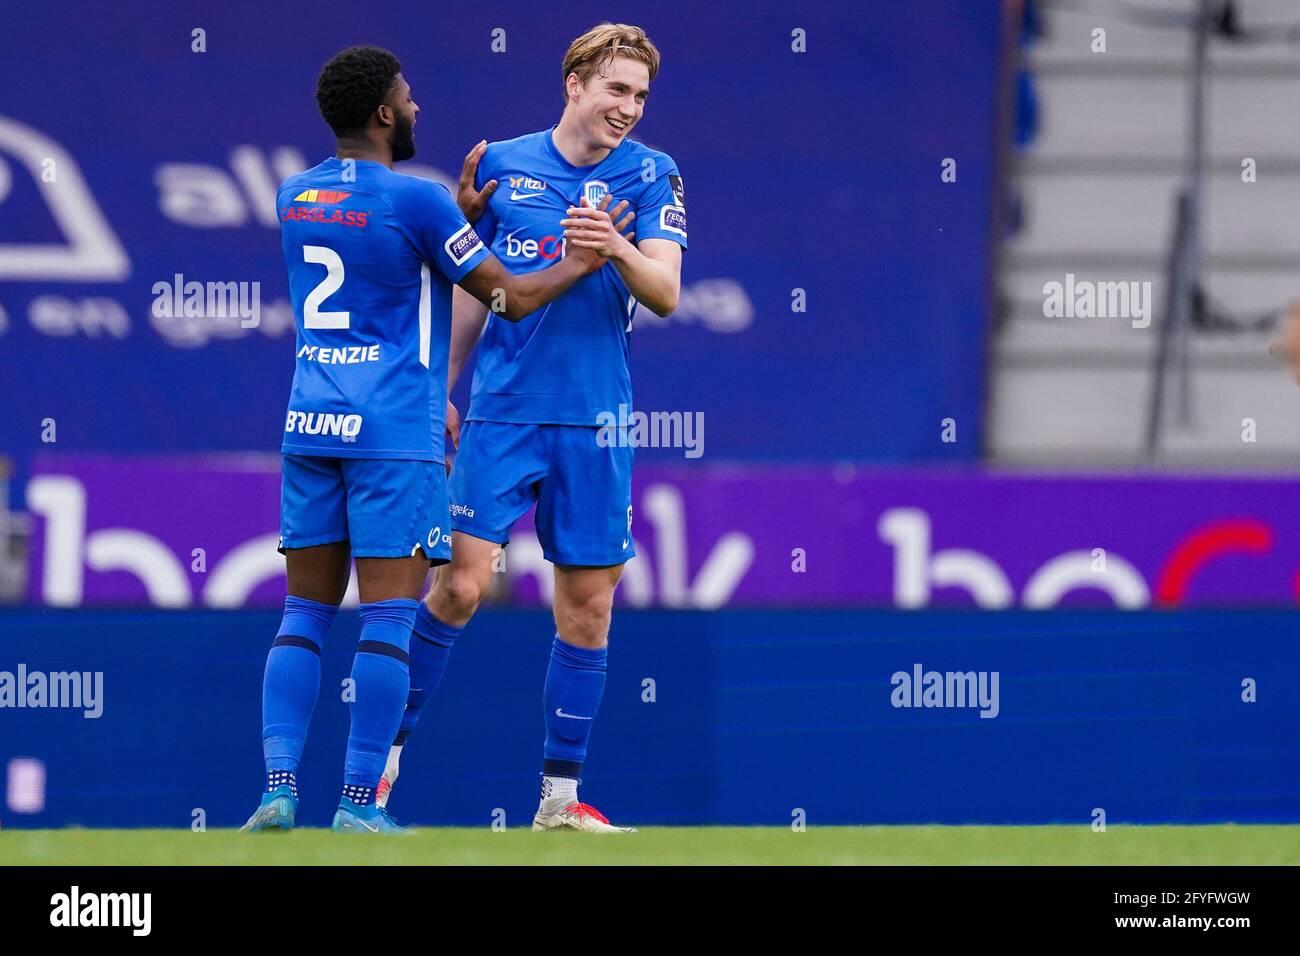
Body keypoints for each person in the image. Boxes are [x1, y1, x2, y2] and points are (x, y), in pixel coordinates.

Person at [241, 44, 631, 834]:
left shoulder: (294, 195)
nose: (417, 108)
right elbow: (512, 300)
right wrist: (586, 260)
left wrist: (459, 215)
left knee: (303, 615)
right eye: (409, 99)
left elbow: (384, 261)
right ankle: (357, 805)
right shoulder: (419, 202)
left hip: (312, 421)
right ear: (384, 113)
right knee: (388, 620)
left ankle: (278, 791)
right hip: (393, 432)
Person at [377, 23, 686, 833]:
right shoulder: (504, 165)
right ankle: (378, 767)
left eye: (641, 95)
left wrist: (615, 246)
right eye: (616, 89)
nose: (628, 108)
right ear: (576, 81)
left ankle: (558, 800)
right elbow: (481, 289)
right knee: (460, 584)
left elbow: (666, 293)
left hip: (598, 421)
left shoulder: (655, 174)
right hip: (503, 410)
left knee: (587, 608)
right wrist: (437, 387)